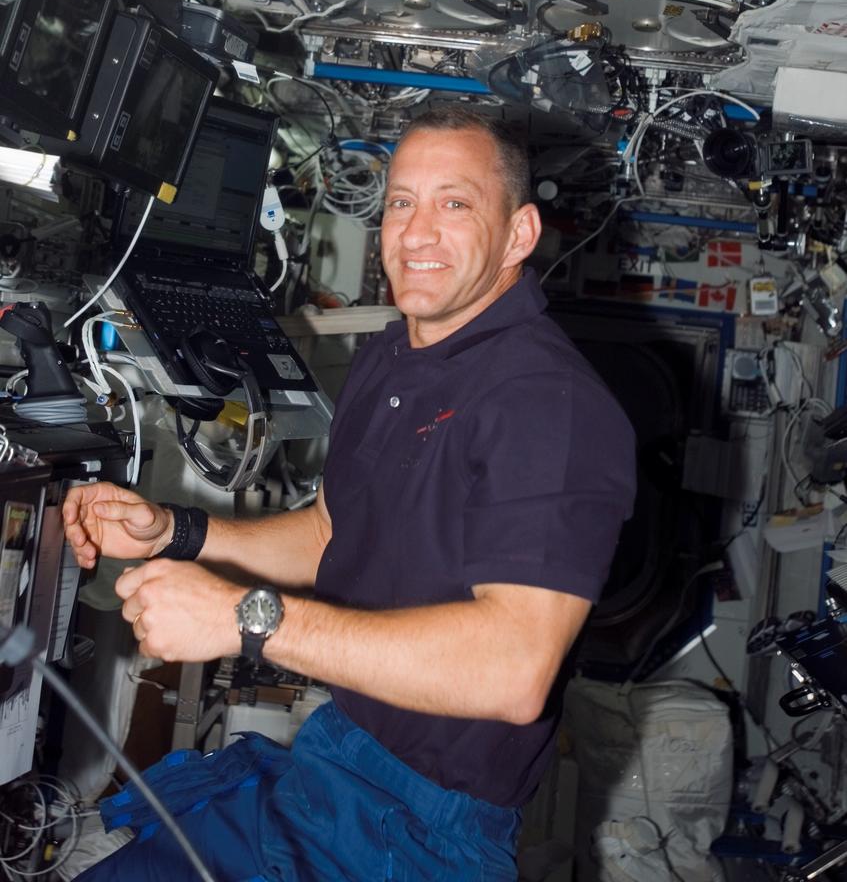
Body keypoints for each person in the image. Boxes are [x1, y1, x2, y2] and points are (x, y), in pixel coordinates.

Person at [63, 107, 636, 882]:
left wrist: (241, 618)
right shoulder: (394, 354)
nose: (416, 233)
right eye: (401, 201)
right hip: (334, 755)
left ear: (519, 234)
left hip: (423, 828)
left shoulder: (548, 404)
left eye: (454, 203)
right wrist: (174, 531)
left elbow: (512, 671)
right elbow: (333, 532)